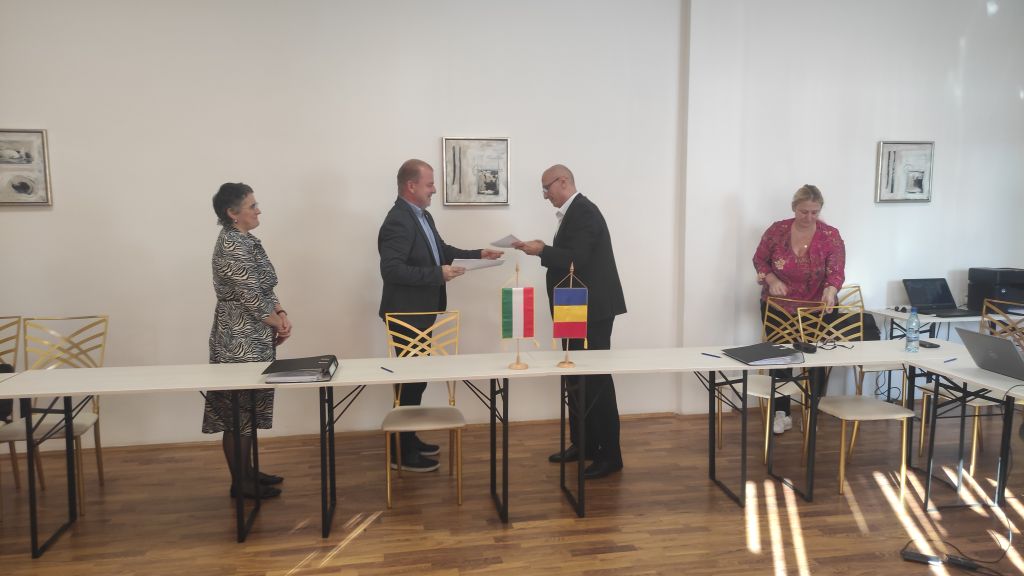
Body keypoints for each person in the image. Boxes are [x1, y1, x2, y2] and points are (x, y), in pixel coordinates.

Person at [378, 159, 503, 472]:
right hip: (406, 314)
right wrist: (438, 274)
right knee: (409, 383)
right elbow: (391, 270)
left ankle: (408, 438)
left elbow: (441, 250)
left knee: (416, 381)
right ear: (411, 186)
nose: (434, 189)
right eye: (430, 184)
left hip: (422, 313)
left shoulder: (423, 216)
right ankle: (399, 452)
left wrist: (478, 254)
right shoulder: (398, 220)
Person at [513, 164, 627, 480]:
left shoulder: (584, 211)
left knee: (596, 380)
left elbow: (578, 258)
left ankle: (610, 455)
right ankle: (584, 444)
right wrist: (545, 249)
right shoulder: (573, 213)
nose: (545, 195)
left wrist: (542, 251)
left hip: (591, 309)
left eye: (546, 188)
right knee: (574, 376)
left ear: (563, 181)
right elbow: (570, 254)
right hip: (572, 305)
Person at [204, 182, 291, 499]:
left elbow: (264, 288)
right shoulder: (232, 245)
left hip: (254, 335)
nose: (258, 210)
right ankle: (240, 484)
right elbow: (249, 297)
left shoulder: (247, 240)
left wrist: (280, 312)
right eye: (252, 206)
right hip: (237, 340)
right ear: (232, 212)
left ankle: (248, 472)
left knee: (250, 409)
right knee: (238, 413)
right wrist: (279, 324)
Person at [752, 184, 845, 434]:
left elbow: (836, 271)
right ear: (794, 208)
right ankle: (781, 413)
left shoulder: (830, 235)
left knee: (816, 361)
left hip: (817, 307)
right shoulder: (777, 230)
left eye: (815, 212)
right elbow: (759, 260)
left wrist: (831, 291)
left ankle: (812, 412)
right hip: (779, 306)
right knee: (782, 358)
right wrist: (772, 279)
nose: (809, 217)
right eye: (804, 212)